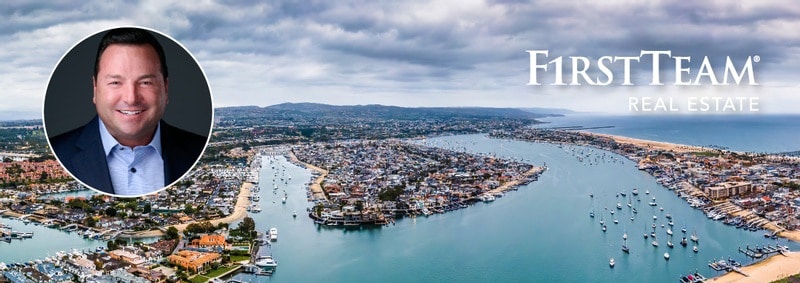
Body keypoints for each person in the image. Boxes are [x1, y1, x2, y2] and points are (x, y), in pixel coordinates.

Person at [50, 27, 207, 196]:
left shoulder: (197, 150)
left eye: (145, 82)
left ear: (165, 89)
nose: (131, 98)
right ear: (95, 88)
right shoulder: (59, 152)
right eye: (115, 82)